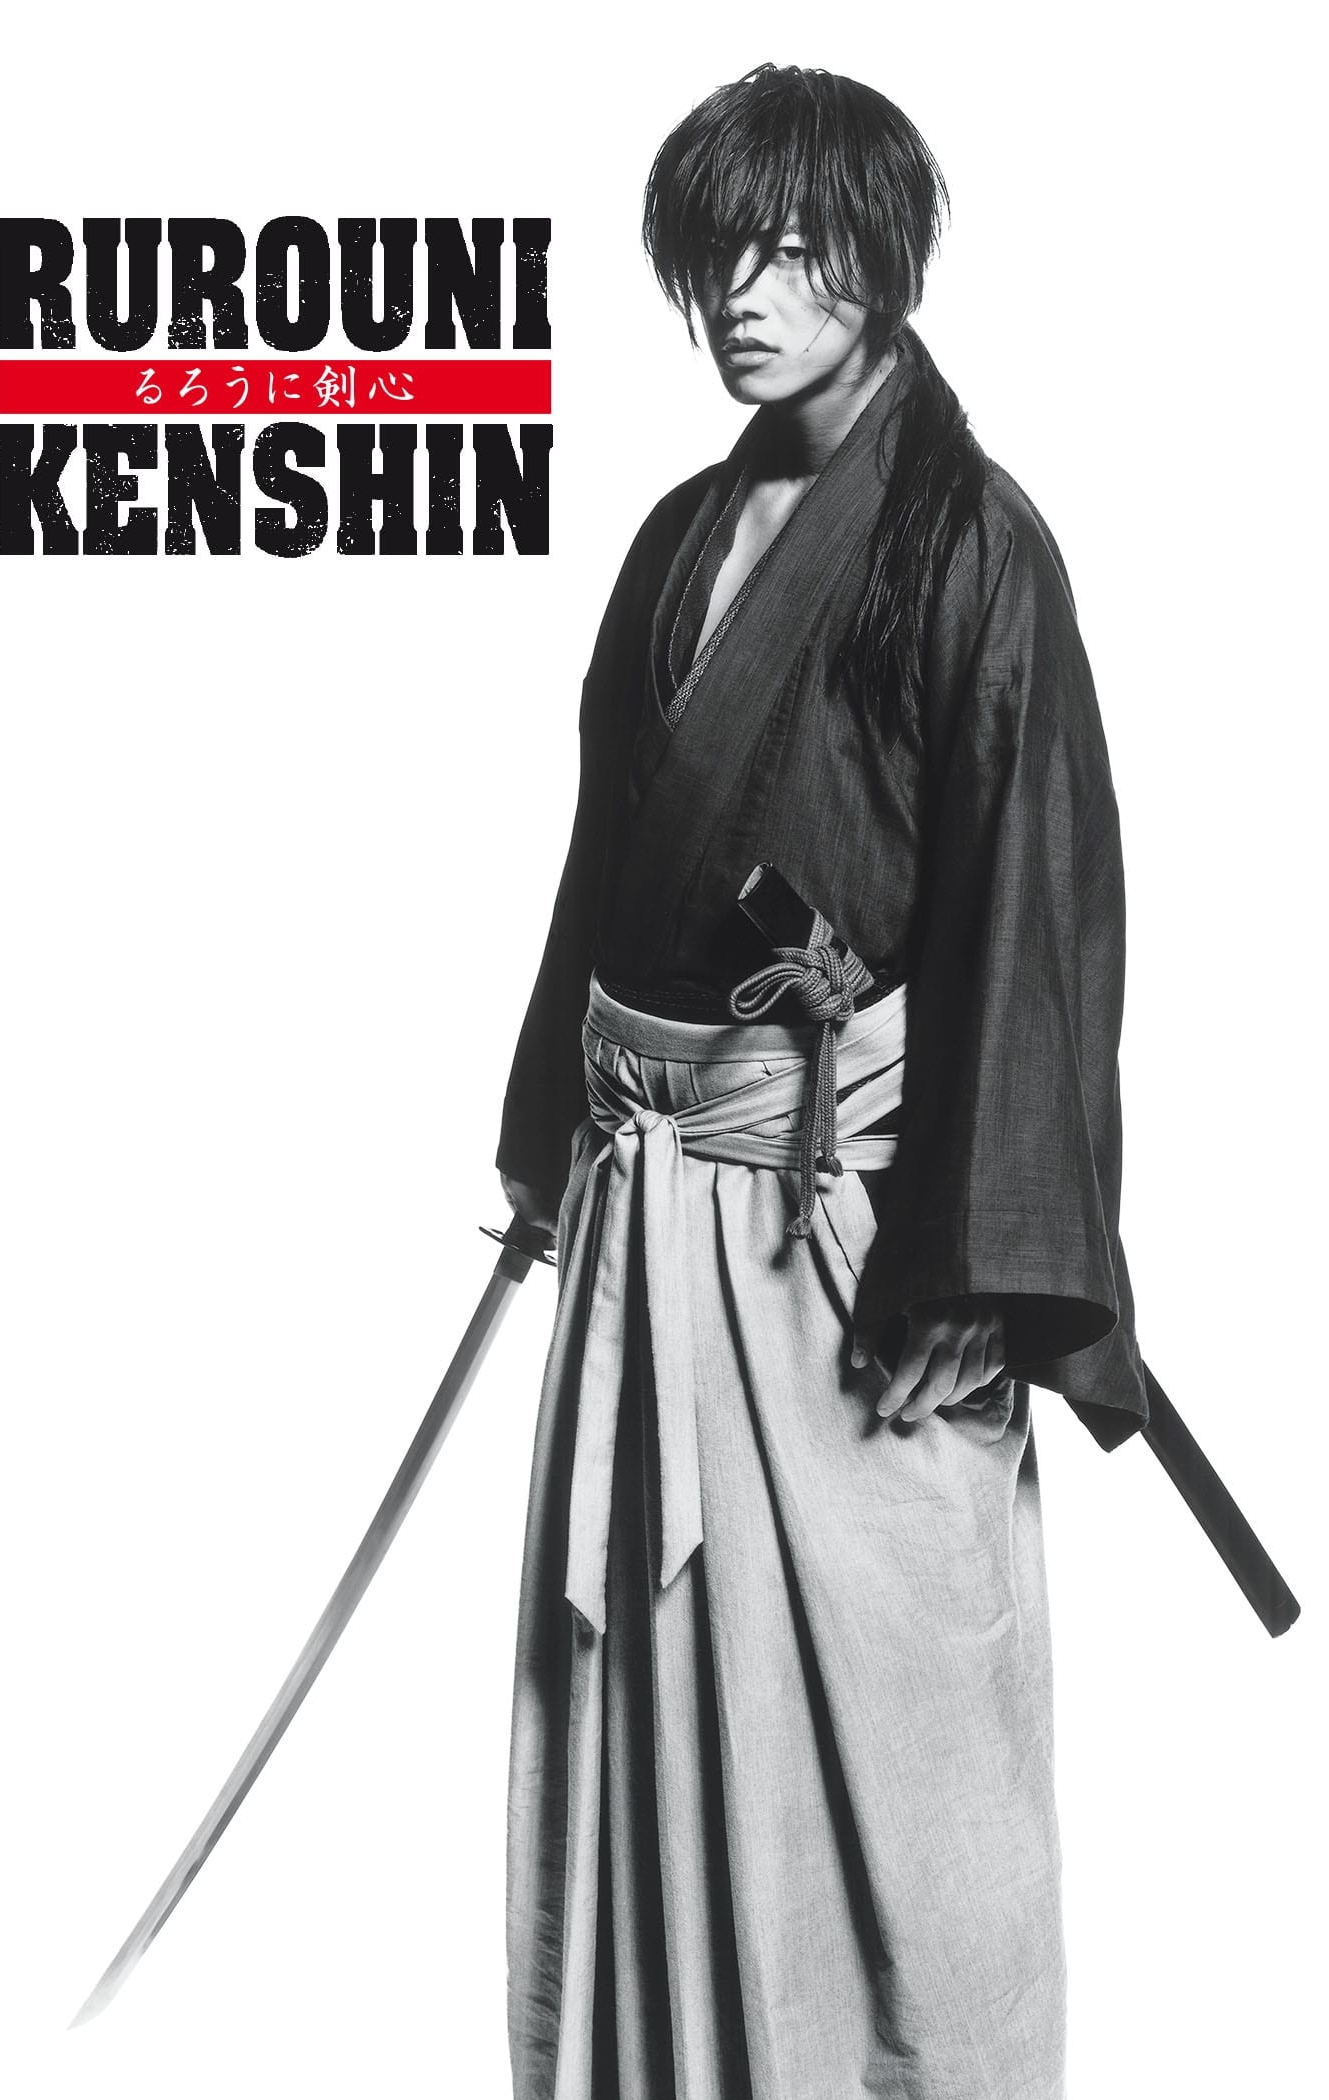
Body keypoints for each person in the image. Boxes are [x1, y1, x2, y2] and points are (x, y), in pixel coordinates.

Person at [496, 62, 1146, 2100]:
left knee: (905, 1794)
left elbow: (1041, 913)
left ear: (882, 258)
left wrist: (984, 1268)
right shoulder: (678, 540)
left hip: (844, 1241)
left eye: (794, 253)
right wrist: (549, 1139)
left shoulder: (971, 546)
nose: (747, 299)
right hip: (648, 1207)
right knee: (647, 1727)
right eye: (721, 259)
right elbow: (606, 861)